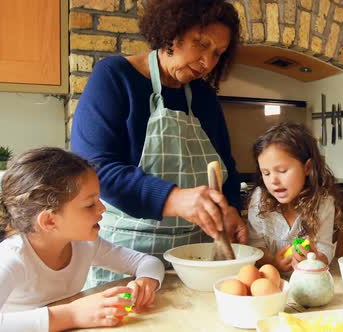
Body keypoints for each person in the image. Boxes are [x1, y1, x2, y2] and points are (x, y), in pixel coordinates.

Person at [70, 0, 247, 287]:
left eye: (218, 53)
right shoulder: (115, 77)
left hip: (195, 261)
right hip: (126, 258)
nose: (208, 61)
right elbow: (95, 169)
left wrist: (230, 208)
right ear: (171, 31)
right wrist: (174, 198)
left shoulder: (204, 97)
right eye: (201, 44)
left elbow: (225, 167)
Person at [0, 148, 165, 331]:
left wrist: (146, 282)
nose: (102, 209)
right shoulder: (10, 258)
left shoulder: (85, 244)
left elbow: (147, 262)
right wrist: (72, 315)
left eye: (98, 200)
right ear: (50, 220)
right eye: (90, 204)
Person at [247, 123, 343, 273]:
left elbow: (325, 248)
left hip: (308, 282)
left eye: (282, 170)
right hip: (272, 282)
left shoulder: (323, 202)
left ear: (307, 167)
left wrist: (315, 257)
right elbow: (255, 246)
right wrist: (273, 262)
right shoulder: (260, 198)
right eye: (266, 173)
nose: (273, 180)